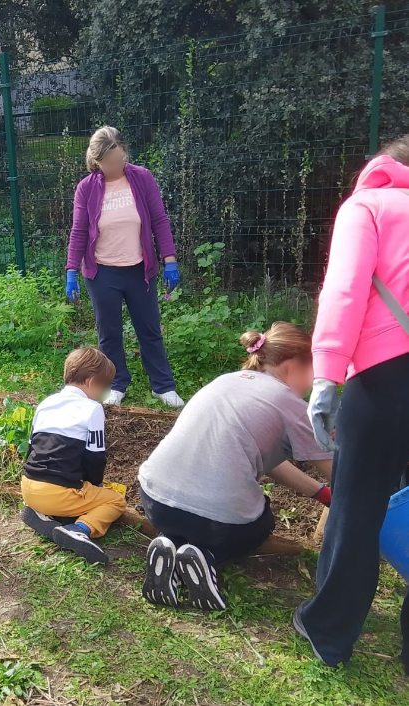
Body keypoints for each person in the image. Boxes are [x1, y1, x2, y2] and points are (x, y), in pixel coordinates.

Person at [296, 137, 409, 673]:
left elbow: (345, 289)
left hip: (387, 376)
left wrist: (326, 376)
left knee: (357, 506)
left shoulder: (368, 206)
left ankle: (330, 632)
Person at [137, 322, 333, 610]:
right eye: (314, 374)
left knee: (190, 517)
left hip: (155, 501)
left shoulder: (227, 380)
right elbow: (337, 471)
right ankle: (207, 557)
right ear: (294, 363)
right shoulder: (290, 403)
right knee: (261, 523)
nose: (313, 385)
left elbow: (266, 460)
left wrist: (319, 493)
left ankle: (170, 544)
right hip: (217, 523)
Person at [65, 125, 184, 408]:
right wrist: (71, 271)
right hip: (102, 272)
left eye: (120, 159)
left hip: (139, 270)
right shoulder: (87, 188)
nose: (116, 165)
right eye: (110, 162)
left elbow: (159, 220)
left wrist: (170, 261)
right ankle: (116, 384)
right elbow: (79, 231)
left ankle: (163, 386)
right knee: (109, 333)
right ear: (97, 162)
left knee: (150, 329)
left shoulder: (142, 178)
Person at [20, 346, 126, 564]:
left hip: (28, 486)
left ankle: (44, 515)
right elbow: (95, 458)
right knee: (115, 501)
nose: (103, 394)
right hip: (57, 493)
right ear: (91, 382)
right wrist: (94, 486)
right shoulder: (92, 409)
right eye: (104, 387)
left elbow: (32, 447)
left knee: (65, 493)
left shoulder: (46, 403)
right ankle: (79, 529)